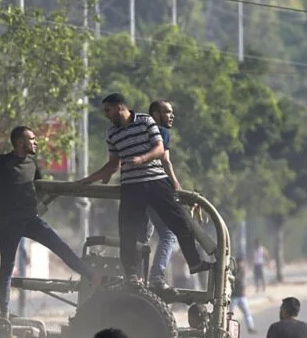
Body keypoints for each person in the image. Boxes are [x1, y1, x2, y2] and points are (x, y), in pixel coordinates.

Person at [78, 93, 213, 284]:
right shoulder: (112, 133)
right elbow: (113, 164)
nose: (106, 114)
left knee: (181, 224)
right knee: (128, 232)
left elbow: (159, 149)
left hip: (156, 182)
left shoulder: (145, 121)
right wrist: (89, 180)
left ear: (119, 107)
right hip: (132, 187)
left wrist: (141, 159)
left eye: (108, 110)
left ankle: (194, 262)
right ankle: (131, 274)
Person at [0, 119, 97, 316]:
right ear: (20, 143)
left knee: (60, 247)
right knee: (6, 269)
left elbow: (40, 185)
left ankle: (92, 276)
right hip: (9, 223)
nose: (36, 142)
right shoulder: (3, 162)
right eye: (32, 139)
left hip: (31, 220)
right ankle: (3, 314)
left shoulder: (32, 163)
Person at [138, 100, 181, 291]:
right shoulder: (161, 132)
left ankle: (134, 276)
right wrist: (176, 184)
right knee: (168, 234)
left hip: (135, 187)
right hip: (154, 188)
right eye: (167, 112)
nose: (172, 116)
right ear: (155, 114)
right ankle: (156, 277)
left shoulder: (138, 131)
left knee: (142, 236)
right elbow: (166, 161)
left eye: (172, 112)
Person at [232, 256, 256, 333]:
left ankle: (250, 328)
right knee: (228, 313)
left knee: (247, 312)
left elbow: (244, 283)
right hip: (234, 296)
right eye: (240, 263)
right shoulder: (233, 271)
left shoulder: (243, 271)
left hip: (241, 296)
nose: (241, 264)